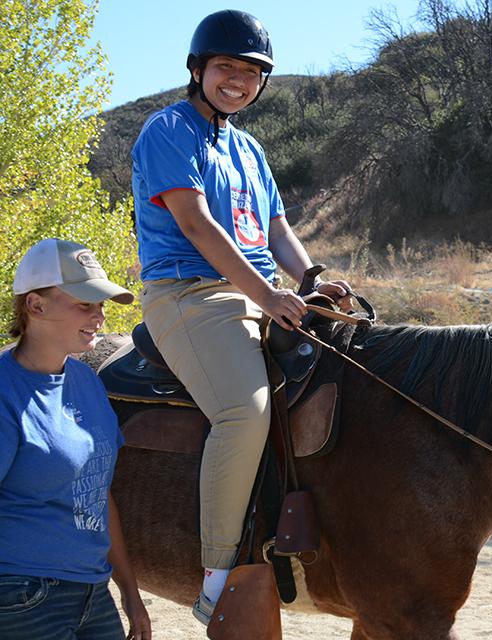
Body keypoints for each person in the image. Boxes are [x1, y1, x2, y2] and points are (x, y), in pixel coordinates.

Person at [129, 9, 350, 625]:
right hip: (189, 293)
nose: (239, 81)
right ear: (198, 69)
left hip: (257, 291)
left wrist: (310, 279)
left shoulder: (249, 147)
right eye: (227, 67)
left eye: (252, 72)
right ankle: (217, 573)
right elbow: (197, 225)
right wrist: (267, 293)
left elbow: (276, 227)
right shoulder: (166, 129)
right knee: (244, 411)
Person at [0, 238, 151, 640]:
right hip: (22, 595)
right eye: (85, 304)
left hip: (92, 593)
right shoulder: (4, 390)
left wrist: (130, 593)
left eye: (101, 305)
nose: (99, 316)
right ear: (35, 305)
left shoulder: (87, 381)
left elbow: (97, 493)